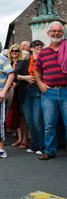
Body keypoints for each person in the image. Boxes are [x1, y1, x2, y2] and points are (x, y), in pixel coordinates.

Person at [34, 21, 67, 160]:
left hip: (66, 91)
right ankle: (49, 151)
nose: (56, 33)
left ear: (63, 33)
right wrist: (40, 83)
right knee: (49, 124)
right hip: (49, 93)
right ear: (48, 34)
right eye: (53, 31)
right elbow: (37, 72)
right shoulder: (43, 53)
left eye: (59, 31)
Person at [15, 40, 45, 155]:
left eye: (41, 45)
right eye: (36, 45)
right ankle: (35, 144)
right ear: (31, 49)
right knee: (30, 120)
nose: (38, 47)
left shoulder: (44, 60)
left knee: (37, 120)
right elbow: (15, 75)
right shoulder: (25, 62)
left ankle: (42, 146)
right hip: (26, 92)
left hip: (38, 91)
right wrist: (24, 78)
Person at [6, 44, 28, 148]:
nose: (14, 52)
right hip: (11, 92)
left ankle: (25, 140)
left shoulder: (23, 62)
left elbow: (24, 76)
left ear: (19, 52)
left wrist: (16, 80)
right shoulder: (8, 63)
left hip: (21, 91)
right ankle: (19, 139)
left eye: (16, 51)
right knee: (16, 117)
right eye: (12, 51)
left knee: (23, 116)